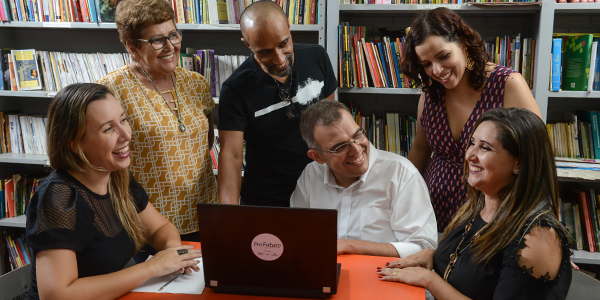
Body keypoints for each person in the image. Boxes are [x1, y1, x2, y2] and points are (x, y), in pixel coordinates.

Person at [25, 83, 202, 300]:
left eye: (124, 120)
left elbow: (160, 229)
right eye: (108, 129)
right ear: (74, 144)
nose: (126, 134)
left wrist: (173, 253)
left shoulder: (118, 178)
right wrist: (153, 267)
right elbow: (57, 295)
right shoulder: (58, 196)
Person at [378, 108, 572, 300]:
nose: (469, 155)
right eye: (472, 143)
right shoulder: (478, 207)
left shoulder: (537, 237)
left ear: (518, 163)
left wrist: (430, 280)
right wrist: (435, 257)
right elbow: (474, 270)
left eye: (485, 147)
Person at [402, 8, 542, 232]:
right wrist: (398, 195)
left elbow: (537, 156)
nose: (436, 70)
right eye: (426, 64)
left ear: (464, 44)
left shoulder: (507, 84)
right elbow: (420, 150)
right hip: (433, 210)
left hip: (494, 213)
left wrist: (540, 226)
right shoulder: (430, 95)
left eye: (443, 56)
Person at [98, 0, 217, 239]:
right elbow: (104, 160)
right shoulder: (112, 89)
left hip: (204, 214)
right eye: (156, 40)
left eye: (173, 35)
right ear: (132, 47)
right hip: (147, 225)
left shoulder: (197, 83)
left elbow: (207, 139)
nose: (170, 46)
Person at [218, 0, 337, 207]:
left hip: (320, 191)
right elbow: (232, 155)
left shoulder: (317, 56)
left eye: (284, 43)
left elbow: (332, 124)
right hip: (266, 198)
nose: (280, 59)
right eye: (264, 52)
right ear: (248, 45)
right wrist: (228, 217)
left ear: (289, 29)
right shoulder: (235, 89)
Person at [291, 100, 437, 258]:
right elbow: (297, 237)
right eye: (340, 147)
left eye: (358, 135)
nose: (356, 150)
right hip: (325, 276)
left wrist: (349, 246)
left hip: (385, 275)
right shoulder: (310, 175)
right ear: (318, 156)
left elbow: (423, 248)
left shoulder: (401, 173)